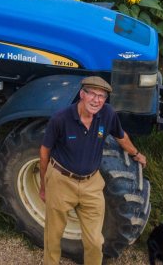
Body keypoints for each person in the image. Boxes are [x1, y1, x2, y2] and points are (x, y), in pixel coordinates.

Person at [39, 76, 147, 265]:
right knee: (53, 236)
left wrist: (136, 153)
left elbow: (121, 137)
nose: (97, 100)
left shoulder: (107, 114)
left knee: (95, 241)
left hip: (92, 184)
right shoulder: (61, 119)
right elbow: (44, 151)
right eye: (93, 95)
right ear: (82, 94)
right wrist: (43, 185)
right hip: (61, 181)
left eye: (102, 97)